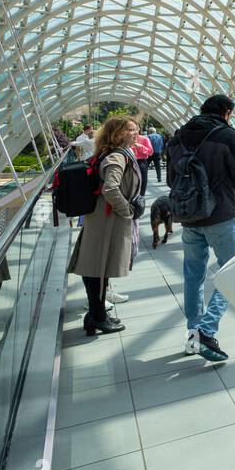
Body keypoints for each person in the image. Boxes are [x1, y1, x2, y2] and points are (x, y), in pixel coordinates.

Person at [167, 94, 235, 363]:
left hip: (190, 218)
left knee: (193, 275)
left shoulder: (179, 135)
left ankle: (193, 331)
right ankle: (206, 329)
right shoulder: (227, 136)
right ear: (227, 112)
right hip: (222, 216)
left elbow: (171, 178)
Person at [66, 115, 143, 335]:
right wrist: (127, 211)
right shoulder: (117, 157)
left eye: (136, 129)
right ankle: (98, 316)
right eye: (130, 130)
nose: (135, 133)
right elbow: (111, 189)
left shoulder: (110, 154)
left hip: (101, 217)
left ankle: (95, 315)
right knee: (98, 268)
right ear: (117, 133)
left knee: (98, 267)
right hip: (107, 219)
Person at [132, 129, 154, 195]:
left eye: (134, 129)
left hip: (141, 161)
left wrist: (140, 147)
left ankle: (141, 196)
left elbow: (150, 152)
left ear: (138, 129)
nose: (134, 131)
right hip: (129, 161)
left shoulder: (144, 139)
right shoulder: (126, 139)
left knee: (143, 180)